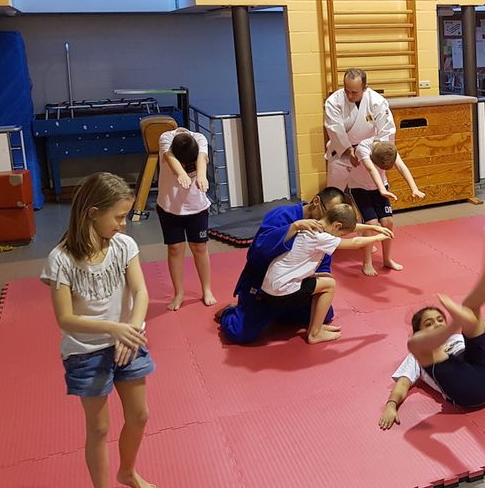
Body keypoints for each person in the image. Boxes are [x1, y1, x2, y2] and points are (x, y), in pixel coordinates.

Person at [40, 172, 155, 488]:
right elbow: (65, 319)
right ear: (93, 213)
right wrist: (113, 329)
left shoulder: (124, 246)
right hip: (86, 352)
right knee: (99, 428)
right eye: (118, 216)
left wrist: (130, 329)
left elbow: (141, 292)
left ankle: (127, 472)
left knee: (140, 416)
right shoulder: (60, 260)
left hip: (127, 342)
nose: (124, 224)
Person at [377, 231, 485, 430]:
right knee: (421, 343)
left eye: (440, 319)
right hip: (467, 393)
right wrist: (391, 405)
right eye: (429, 323)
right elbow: (403, 384)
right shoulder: (415, 355)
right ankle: (460, 315)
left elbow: (484, 356)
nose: (437, 323)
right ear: (419, 329)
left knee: (471, 312)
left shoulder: (457, 337)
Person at [216, 187, 393, 344]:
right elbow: (257, 251)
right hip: (263, 286)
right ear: (316, 201)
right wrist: (293, 228)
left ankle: (278, 312)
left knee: (325, 313)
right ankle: (232, 312)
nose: (327, 220)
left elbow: (323, 262)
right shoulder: (283, 216)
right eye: (327, 213)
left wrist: (323, 278)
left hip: (293, 285)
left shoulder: (322, 230)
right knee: (240, 334)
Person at [261, 203, 390, 343]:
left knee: (325, 277)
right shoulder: (321, 237)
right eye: (342, 234)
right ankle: (314, 334)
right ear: (337, 226)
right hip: (280, 290)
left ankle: (315, 327)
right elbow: (355, 242)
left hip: (272, 283)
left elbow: (349, 227)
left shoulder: (315, 224)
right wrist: (378, 238)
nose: (341, 236)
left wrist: (372, 227)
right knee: (330, 285)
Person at [156, 126, 216, 310]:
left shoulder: (199, 138)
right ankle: (179, 292)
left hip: (196, 207)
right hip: (169, 206)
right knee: (175, 249)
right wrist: (181, 173)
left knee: (200, 247)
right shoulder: (166, 137)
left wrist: (202, 176)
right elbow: (169, 157)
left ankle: (206, 289)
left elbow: (202, 158)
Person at [350, 139, 425, 276]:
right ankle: (367, 262)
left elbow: (402, 166)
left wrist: (414, 188)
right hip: (359, 188)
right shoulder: (363, 148)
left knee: (388, 222)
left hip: (380, 187)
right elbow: (371, 169)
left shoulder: (388, 148)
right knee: (371, 224)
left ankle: (387, 259)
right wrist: (382, 190)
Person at [324, 68, 396, 189]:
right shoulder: (333, 102)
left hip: (368, 153)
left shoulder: (377, 102)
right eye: (347, 91)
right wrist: (349, 151)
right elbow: (335, 129)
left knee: (368, 194)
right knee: (335, 196)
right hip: (342, 154)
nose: (349, 95)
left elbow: (386, 130)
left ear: (365, 88)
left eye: (354, 92)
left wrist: (380, 154)